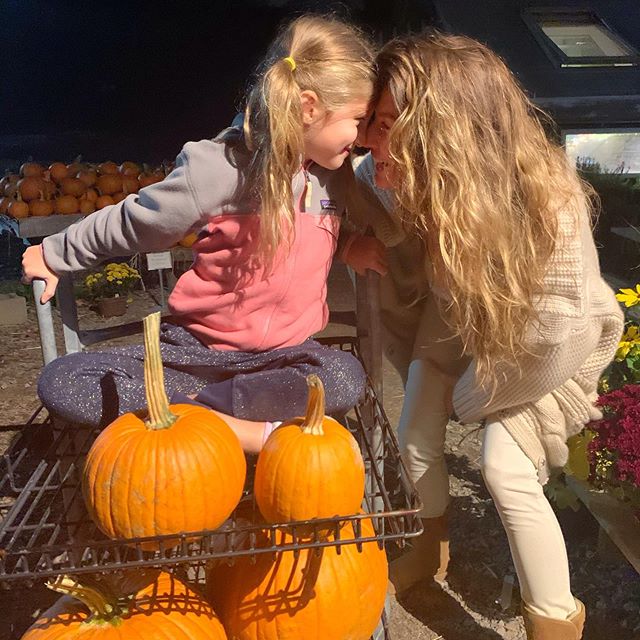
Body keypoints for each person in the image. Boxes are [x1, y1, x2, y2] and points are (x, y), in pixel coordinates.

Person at [342, 32, 623, 639]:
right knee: (414, 426)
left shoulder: (549, 204)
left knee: (504, 469)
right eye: (372, 123)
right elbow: (358, 191)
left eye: (387, 125)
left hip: (543, 347)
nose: (370, 140)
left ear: (443, 131)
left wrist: (475, 397)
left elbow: (554, 330)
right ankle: (424, 551)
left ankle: (555, 622)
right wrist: (369, 237)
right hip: (461, 317)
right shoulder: (405, 172)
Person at [22, 15, 375, 453]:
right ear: (308, 108)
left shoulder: (330, 177)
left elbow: (309, 240)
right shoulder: (222, 168)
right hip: (197, 355)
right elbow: (137, 221)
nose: (362, 136)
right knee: (63, 381)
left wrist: (350, 246)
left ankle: (190, 417)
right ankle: (239, 431)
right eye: (358, 119)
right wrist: (56, 253)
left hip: (283, 357)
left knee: (344, 377)